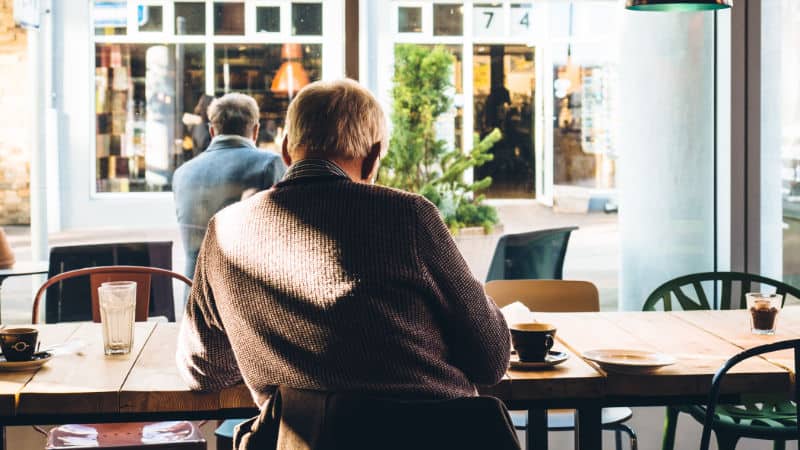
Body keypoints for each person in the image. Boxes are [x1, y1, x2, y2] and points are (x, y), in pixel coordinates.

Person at [176, 79, 510, 409]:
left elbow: (203, 370)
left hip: (302, 441)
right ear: (373, 157)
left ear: (286, 149)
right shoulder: (409, 217)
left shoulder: (225, 231)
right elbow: (491, 359)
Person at [173, 92, 286, 280]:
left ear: (211, 131)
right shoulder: (269, 164)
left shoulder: (182, 173)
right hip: (244, 295)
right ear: (256, 131)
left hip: (194, 294)